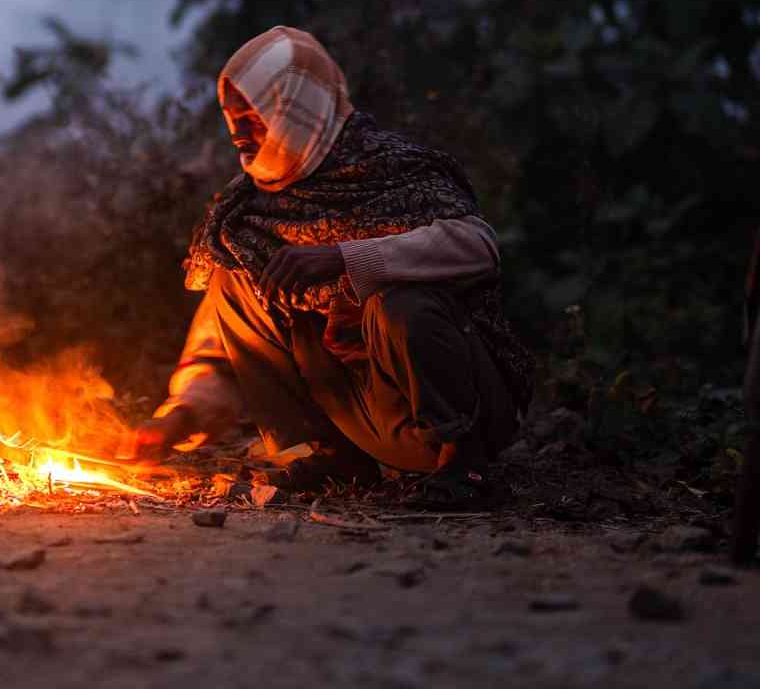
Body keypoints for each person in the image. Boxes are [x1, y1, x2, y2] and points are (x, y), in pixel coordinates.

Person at [115, 26, 535, 509]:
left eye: (252, 115)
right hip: (364, 421)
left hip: (464, 411)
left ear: (297, 108)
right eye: (231, 118)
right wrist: (178, 419)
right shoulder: (248, 213)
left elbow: (477, 245)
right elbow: (223, 346)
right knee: (236, 279)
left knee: (401, 301)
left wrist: (345, 259)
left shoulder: (393, 169)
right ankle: (327, 455)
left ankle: (466, 466)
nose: (237, 134)